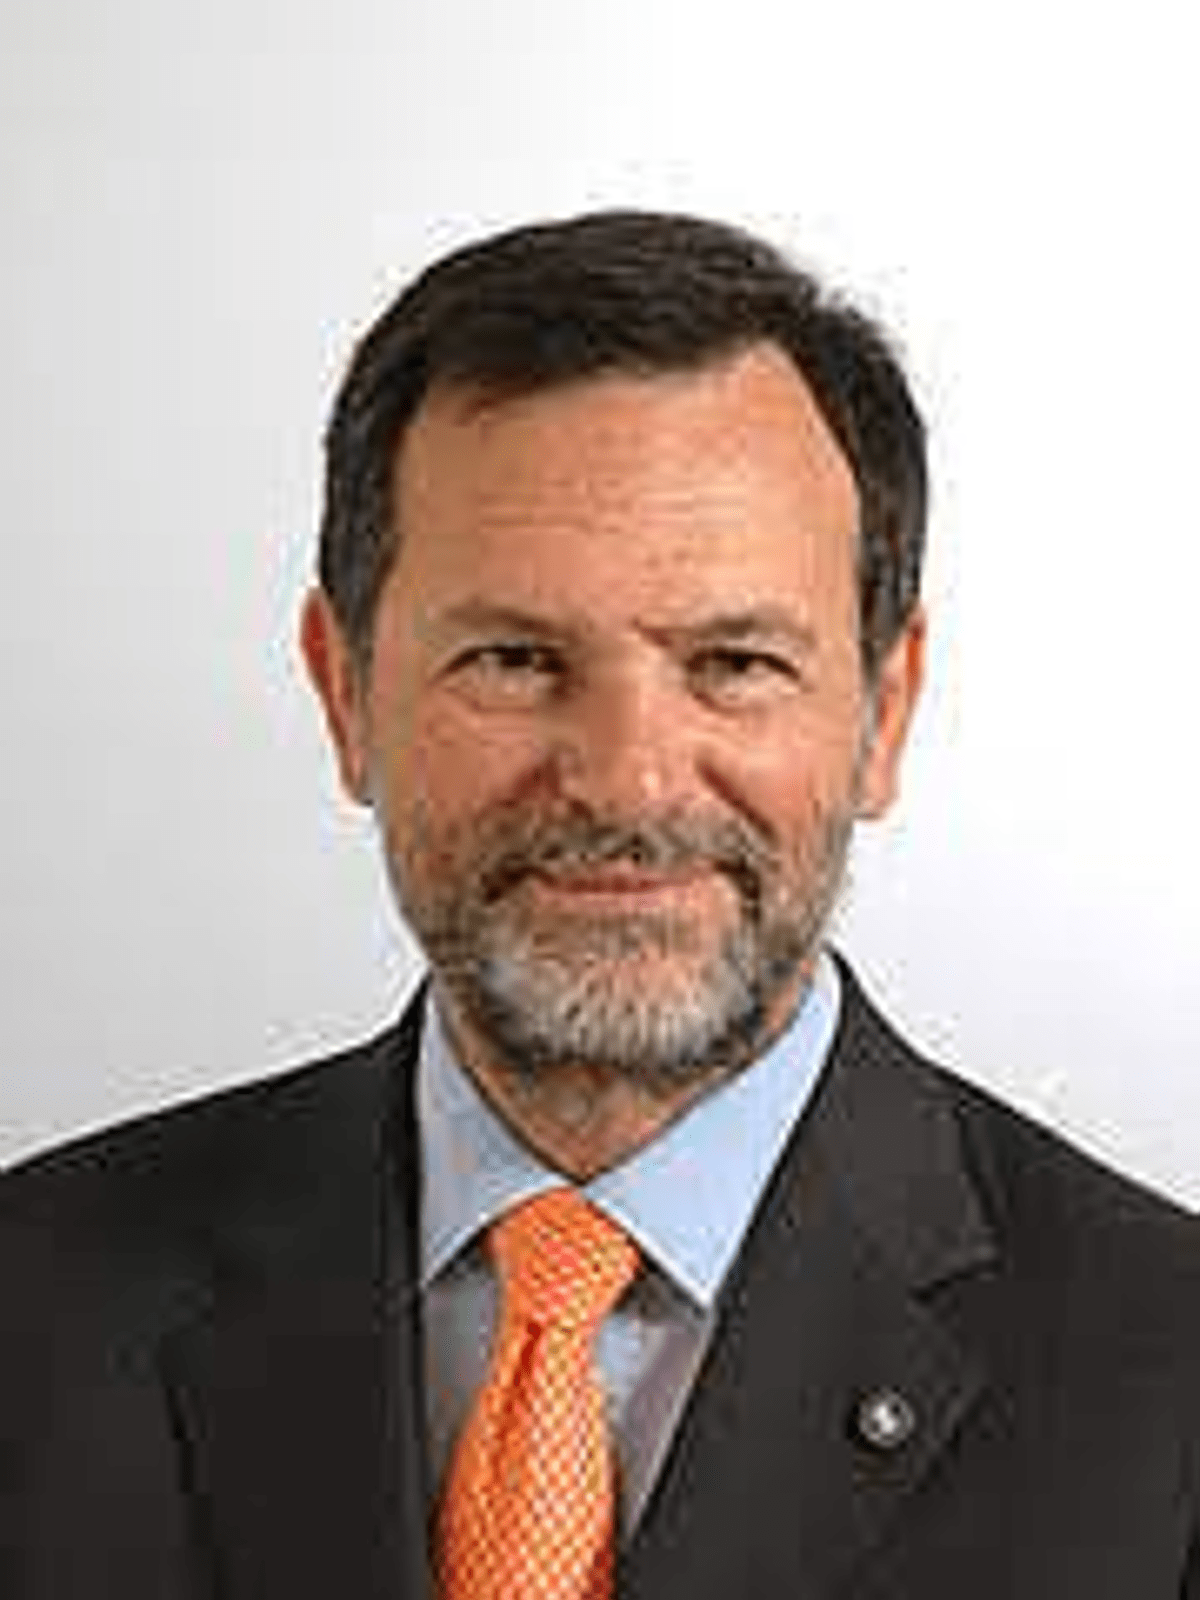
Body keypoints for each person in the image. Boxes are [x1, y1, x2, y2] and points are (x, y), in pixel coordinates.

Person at [3, 210, 1199, 1600]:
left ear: (886, 710)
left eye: (735, 663)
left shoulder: (1167, 1387)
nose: (628, 780)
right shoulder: (32, 1308)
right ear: (345, 692)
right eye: (515, 659)